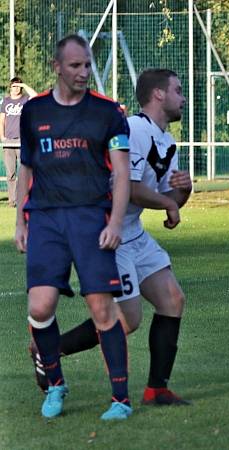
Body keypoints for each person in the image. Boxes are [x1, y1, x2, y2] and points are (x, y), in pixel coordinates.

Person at [36, 69, 193, 407]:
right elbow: (132, 189)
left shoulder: (166, 140)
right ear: (158, 95)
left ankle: (157, 390)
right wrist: (168, 202)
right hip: (109, 230)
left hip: (132, 230)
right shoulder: (133, 129)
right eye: (178, 90)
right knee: (127, 320)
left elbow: (170, 206)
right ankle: (48, 349)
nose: (183, 98)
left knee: (172, 300)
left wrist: (184, 192)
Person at [15, 34, 132, 420]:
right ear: (57, 67)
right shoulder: (33, 111)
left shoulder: (108, 112)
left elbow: (122, 173)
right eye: (76, 66)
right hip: (45, 219)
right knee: (40, 304)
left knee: (101, 308)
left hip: (89, 217)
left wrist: (115, 223)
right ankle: (55, 384)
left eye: (87, 65)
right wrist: (20, 221)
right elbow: (26, 168)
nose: (84, 73)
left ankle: (120, 400)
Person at [1, 77, 37, 206]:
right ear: (10, 87)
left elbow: (35, 95)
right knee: (10, 173)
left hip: (22, 141)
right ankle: (12, 201)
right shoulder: (5, 101)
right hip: (8, 141)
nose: (15, 89)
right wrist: (2, 136)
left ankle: (26, 198)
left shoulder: (25, 99)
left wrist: (24, 84)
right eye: (13, 86)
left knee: (24, 171)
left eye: (18, 86)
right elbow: (2, 119)